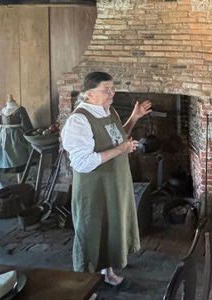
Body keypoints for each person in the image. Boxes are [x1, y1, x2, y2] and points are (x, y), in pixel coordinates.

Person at [61, 71, 152, 290]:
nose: (112, 93)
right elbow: (83, 163)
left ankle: (108, 272)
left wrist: (134, 117)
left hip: (116, 183)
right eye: (106, 89)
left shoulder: (108, 111)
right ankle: (83, 286)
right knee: (91, 230)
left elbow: (118, 136)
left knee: (111, 228)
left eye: (113, 88)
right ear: (89, 94)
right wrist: (121, 149)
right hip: (95, 187)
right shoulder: (79, 121)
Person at [0, 94, 33, 175]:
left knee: (17, 153)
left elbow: (0, 125)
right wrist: (31, 134)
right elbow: (27, 125)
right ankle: (18, 174)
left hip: (8, 135)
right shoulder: (5, 111)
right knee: (18, 153)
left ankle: (20, 176)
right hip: (14, 135)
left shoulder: (18, 110)